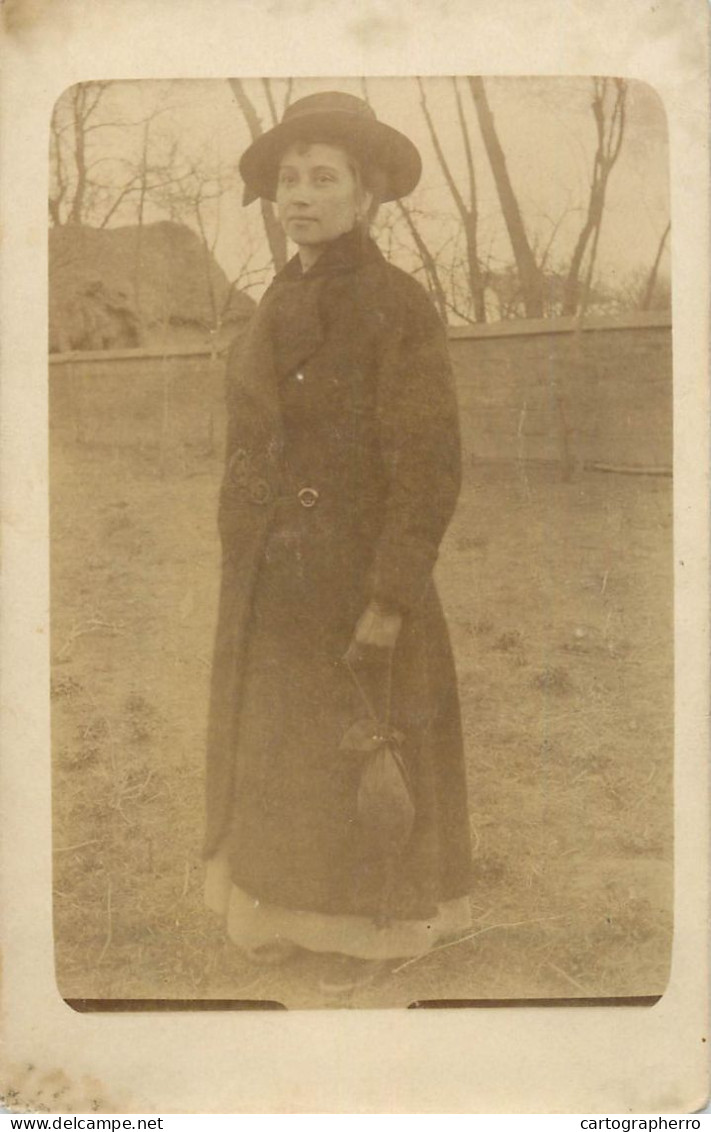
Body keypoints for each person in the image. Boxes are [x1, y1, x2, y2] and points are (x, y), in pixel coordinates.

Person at [203, 90, 473, 990]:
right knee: (279, 751)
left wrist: (391, 598)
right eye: (288, 179)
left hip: (358, 579)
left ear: (367, 198)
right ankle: (277, 912)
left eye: (324, 179)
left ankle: (374, 937)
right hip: (272, 583)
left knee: (360, 757)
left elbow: (429, 467)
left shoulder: (397, 306)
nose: (301, 196)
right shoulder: (275, 297)